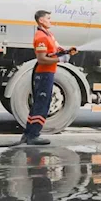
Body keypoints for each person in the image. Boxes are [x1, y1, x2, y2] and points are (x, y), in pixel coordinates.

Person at [18, 10, 77, 146]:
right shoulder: (41, 37)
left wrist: (67, 51)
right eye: (48, 18)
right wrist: (61, 60)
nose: (51, 21)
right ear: (41, 20)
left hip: (48, 73)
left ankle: (28, 134)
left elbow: (55, 50)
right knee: (42, 105)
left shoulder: (49, 35)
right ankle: (33, 135)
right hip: (44, 74)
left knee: (39, 104)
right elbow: (42, 59)